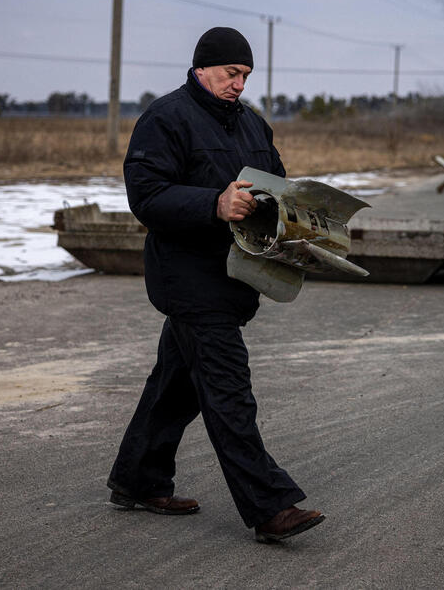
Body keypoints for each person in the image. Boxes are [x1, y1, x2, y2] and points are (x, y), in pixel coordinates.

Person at [106, 27, 325, 544]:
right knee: (229, 393)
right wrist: (213, 204)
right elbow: (147, 195)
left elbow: (276, 185)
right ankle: (270, 506)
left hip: (234, 277)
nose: (238, 84)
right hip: (189, 280)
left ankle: (138, 478)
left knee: (175, 388)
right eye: (231, 73)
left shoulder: (253, 126)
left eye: (246, 75)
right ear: (202, 67)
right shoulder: (165, 118)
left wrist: (298, 225)